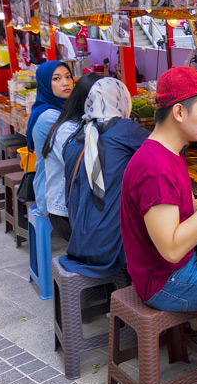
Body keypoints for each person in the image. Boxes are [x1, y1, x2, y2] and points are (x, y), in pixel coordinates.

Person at [120, 66, 197, 310]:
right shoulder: (154, 167)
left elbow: (183, 207)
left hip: (177, 268)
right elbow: (172, 249)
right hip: (167, 283)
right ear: (179, 112)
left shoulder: (169, 152)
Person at [61, 77, 149, 277]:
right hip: (107, 247)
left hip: (77, 239)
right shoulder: (125, 129)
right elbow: (166, 150)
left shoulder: (76, 135)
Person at [40, 73, 102, 241]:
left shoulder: (88, 124)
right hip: (64, 213)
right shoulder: (67, 130)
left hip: (80, 206)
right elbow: (86, 168)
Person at [28, 61, 74, 225]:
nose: (65, 82)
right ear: (45, 84)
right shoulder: (49, 117)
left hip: (59, 187)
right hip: (53, 194)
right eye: (56, 78)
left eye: (68, 76)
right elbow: (72, 154)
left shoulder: (61, 109)